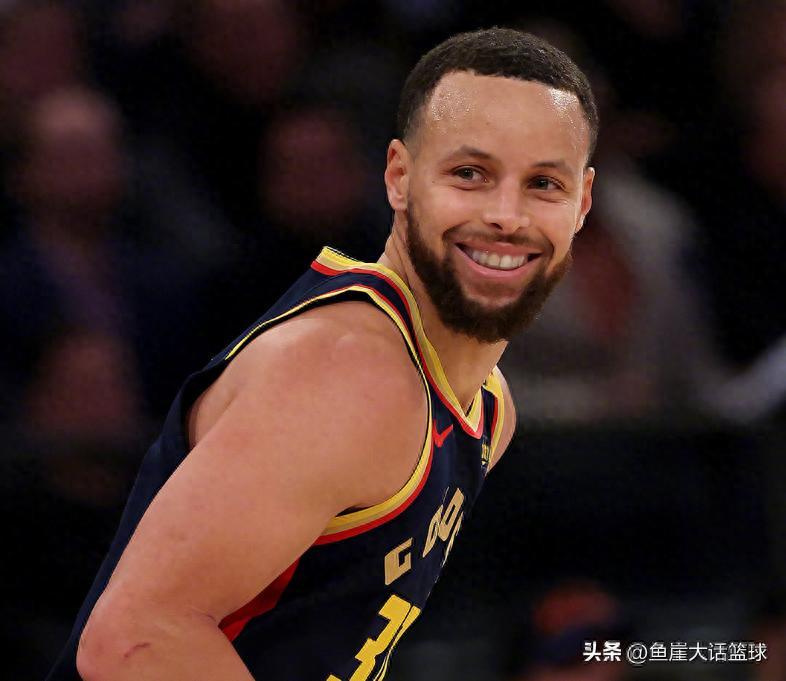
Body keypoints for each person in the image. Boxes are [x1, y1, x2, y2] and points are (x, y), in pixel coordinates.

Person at [48, 27, 597, 680]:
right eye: (469, 174)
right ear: (399, 177)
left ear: (583, 203)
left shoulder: (485, 404)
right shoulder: (350, 374)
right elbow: (133, 640)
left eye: (544, 183)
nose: (507, 214)